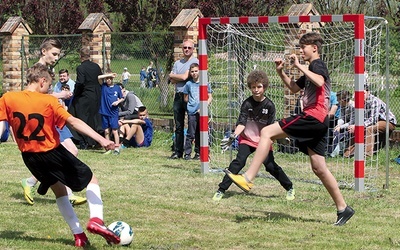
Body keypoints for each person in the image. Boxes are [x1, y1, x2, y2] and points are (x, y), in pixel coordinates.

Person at [224, 32, 355, 226]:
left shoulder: (317, 64)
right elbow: (294, 88)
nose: (301, 51)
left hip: (313, 117)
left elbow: (319, 81)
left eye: (304, 47)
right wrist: (280, 71)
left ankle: (248, 178)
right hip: (319, 122)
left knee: (266, 132)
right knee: (319, 167)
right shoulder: (311, 68)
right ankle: (343, 208)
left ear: (314, 48)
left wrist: (299, 65)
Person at [0, 63, 120, 247]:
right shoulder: (48, 101)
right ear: (42, 81)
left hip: (29, 157)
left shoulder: (8, 98)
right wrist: (102, 139)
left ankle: (79, 235)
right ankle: (96, 220)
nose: (49, 89)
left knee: (60, 191)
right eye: (48, 85)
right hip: (52, 152)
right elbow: (73, 121)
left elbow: (1, 128)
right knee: (91, 180)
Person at [21, 38, 86, 206]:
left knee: (69, 152)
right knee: (69, 151)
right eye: (54, 54)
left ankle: (32, 182)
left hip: (54, 116)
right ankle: (65, 190)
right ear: (44, 52)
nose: (57, 57)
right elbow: (34, 96)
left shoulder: (47, 69)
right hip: (46, 119)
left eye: (58, 54)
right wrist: (60, 95)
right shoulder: (36, 71)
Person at [212, 70, 295, 202]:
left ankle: (290, 187)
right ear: (250, 87)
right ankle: (221, 189)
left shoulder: (270, 105)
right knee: (239, 162)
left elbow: (270, 128)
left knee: (270, 166)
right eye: (253, 87)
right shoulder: (247, 104)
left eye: (259, 87)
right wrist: (234, 136)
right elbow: (242, 123)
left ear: (265, 87)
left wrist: (279, 138)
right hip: (247, 139)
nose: (256, 90)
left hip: (263, 141)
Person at [344, 85, 396, 157]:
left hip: (387, 122)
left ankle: (367, 154)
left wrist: (359, 126)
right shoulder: (360, 102)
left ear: (368, 93)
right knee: (355, 129)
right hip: (374, 122)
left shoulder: (374, 101)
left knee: (369, 129)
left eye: (363, 93)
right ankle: (348, 154)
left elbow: (373, 119)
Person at [169, 39, 199, 159]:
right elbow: (172, 80)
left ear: (193, 49)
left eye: (189, 48)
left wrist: (175, 76)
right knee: (179, 125)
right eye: (184, 47)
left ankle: (197, 152)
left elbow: (185, 76)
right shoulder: (177, 63)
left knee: (194, 125)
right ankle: (178, 151)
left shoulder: (195, 61)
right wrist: (177, 77)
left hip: (191, 97)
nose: (186, 49)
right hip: (178, 95)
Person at [69, 47, 103, 149]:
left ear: (80, 56)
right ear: (89, 56)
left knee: (78, 115)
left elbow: (80, 83)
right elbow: (99, 79)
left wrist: (75, 94)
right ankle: (94, 140)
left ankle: (83, 140)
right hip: (96, 95)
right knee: (93, 117)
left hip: (85, 96)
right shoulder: (96, 66)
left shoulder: (81, 68)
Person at [182, 63, 212, 160]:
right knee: (191, 133)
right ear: (190, 73)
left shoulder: (205, 83)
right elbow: (186, 97)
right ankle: (187, 153)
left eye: (196, 71)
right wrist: (192, 105)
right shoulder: (188, 84)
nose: (194, 73)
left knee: (201, 132)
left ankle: (198, 153)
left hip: (202, 112)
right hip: (192, 112)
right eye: (192, 71)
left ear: (199, 71)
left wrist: (203, 107)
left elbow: (209, 97)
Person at [98, 72, 124, 155]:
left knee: (115, 131)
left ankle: (117, 148)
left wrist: (117, 102)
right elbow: (99, 77)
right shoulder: (104, 86)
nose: (108, 80)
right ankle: (108, 148)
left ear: (113, 79)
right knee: (106, 131)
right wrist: (108, 75)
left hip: (113, 112)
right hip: (104, 111)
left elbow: (122, 98)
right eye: (107, 78)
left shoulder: (117, 88)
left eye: (110, 78)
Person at [328, 90, 355, 157]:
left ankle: (333, 152)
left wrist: (341, 127)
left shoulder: (353, 106)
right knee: (333, 131)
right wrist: (338, 125)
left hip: (353, 126)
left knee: (340, 134)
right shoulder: (343, 106)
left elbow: (352, 121)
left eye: (338, 100)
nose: (337, 101)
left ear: (342, 100)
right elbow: (342, 118)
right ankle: (331, 151)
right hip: (345, 125)